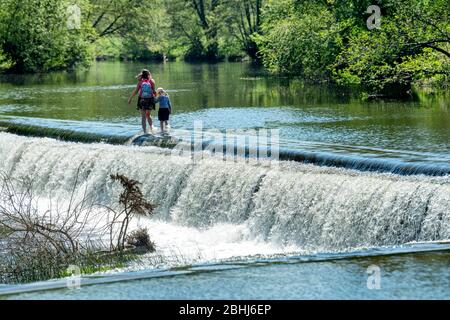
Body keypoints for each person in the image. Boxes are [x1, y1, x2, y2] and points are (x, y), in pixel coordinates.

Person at [128, 69, 156, 133]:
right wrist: (157, 98)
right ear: (149, 74)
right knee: (148, 115)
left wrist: (130, 98)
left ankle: (144, 132)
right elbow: (154, 91)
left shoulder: (140, 82)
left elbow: (136, 91)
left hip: (142, 100)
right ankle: (152, 128)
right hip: (150, 99)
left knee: (143, 117)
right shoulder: (152, 81)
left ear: (142, 75)